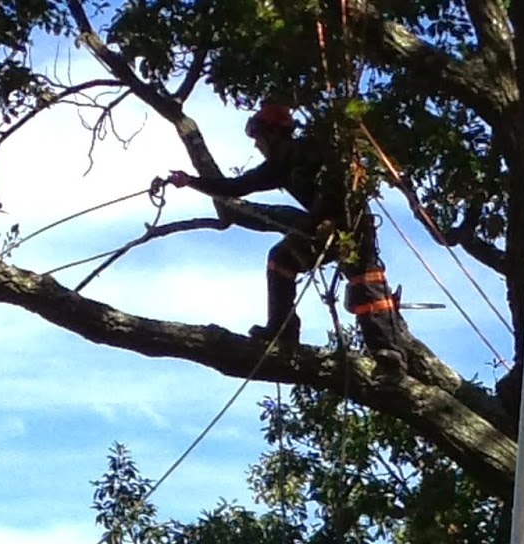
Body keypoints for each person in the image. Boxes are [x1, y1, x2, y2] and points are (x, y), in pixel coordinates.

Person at [166, 103, 405, 378]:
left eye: (258, 139)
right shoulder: (278, 166)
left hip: (352, 224)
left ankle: (389, 356)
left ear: (272, 133)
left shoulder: (310, 149)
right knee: (282, 258)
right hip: (320, 227)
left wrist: (325, 217)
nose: (257, 146)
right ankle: (283, 331)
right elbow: (235, 187)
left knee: (366, 285)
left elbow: (336, 177)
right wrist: (190, 181)